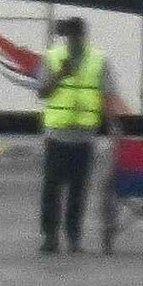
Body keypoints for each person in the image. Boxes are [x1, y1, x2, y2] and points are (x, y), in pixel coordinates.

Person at [34, 14, 114, 254]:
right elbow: (42, 92)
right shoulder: (52, 58)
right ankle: (50, 236)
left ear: (82, 36)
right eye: (68, 37)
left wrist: (113, 124)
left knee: (78, 190)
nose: (71, 41)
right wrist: (60, 74)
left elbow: (107, 94)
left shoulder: (99, 60)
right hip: (57, 134)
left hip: (84, 135)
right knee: (52, 188)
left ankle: (73, 236)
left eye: (75, 36)